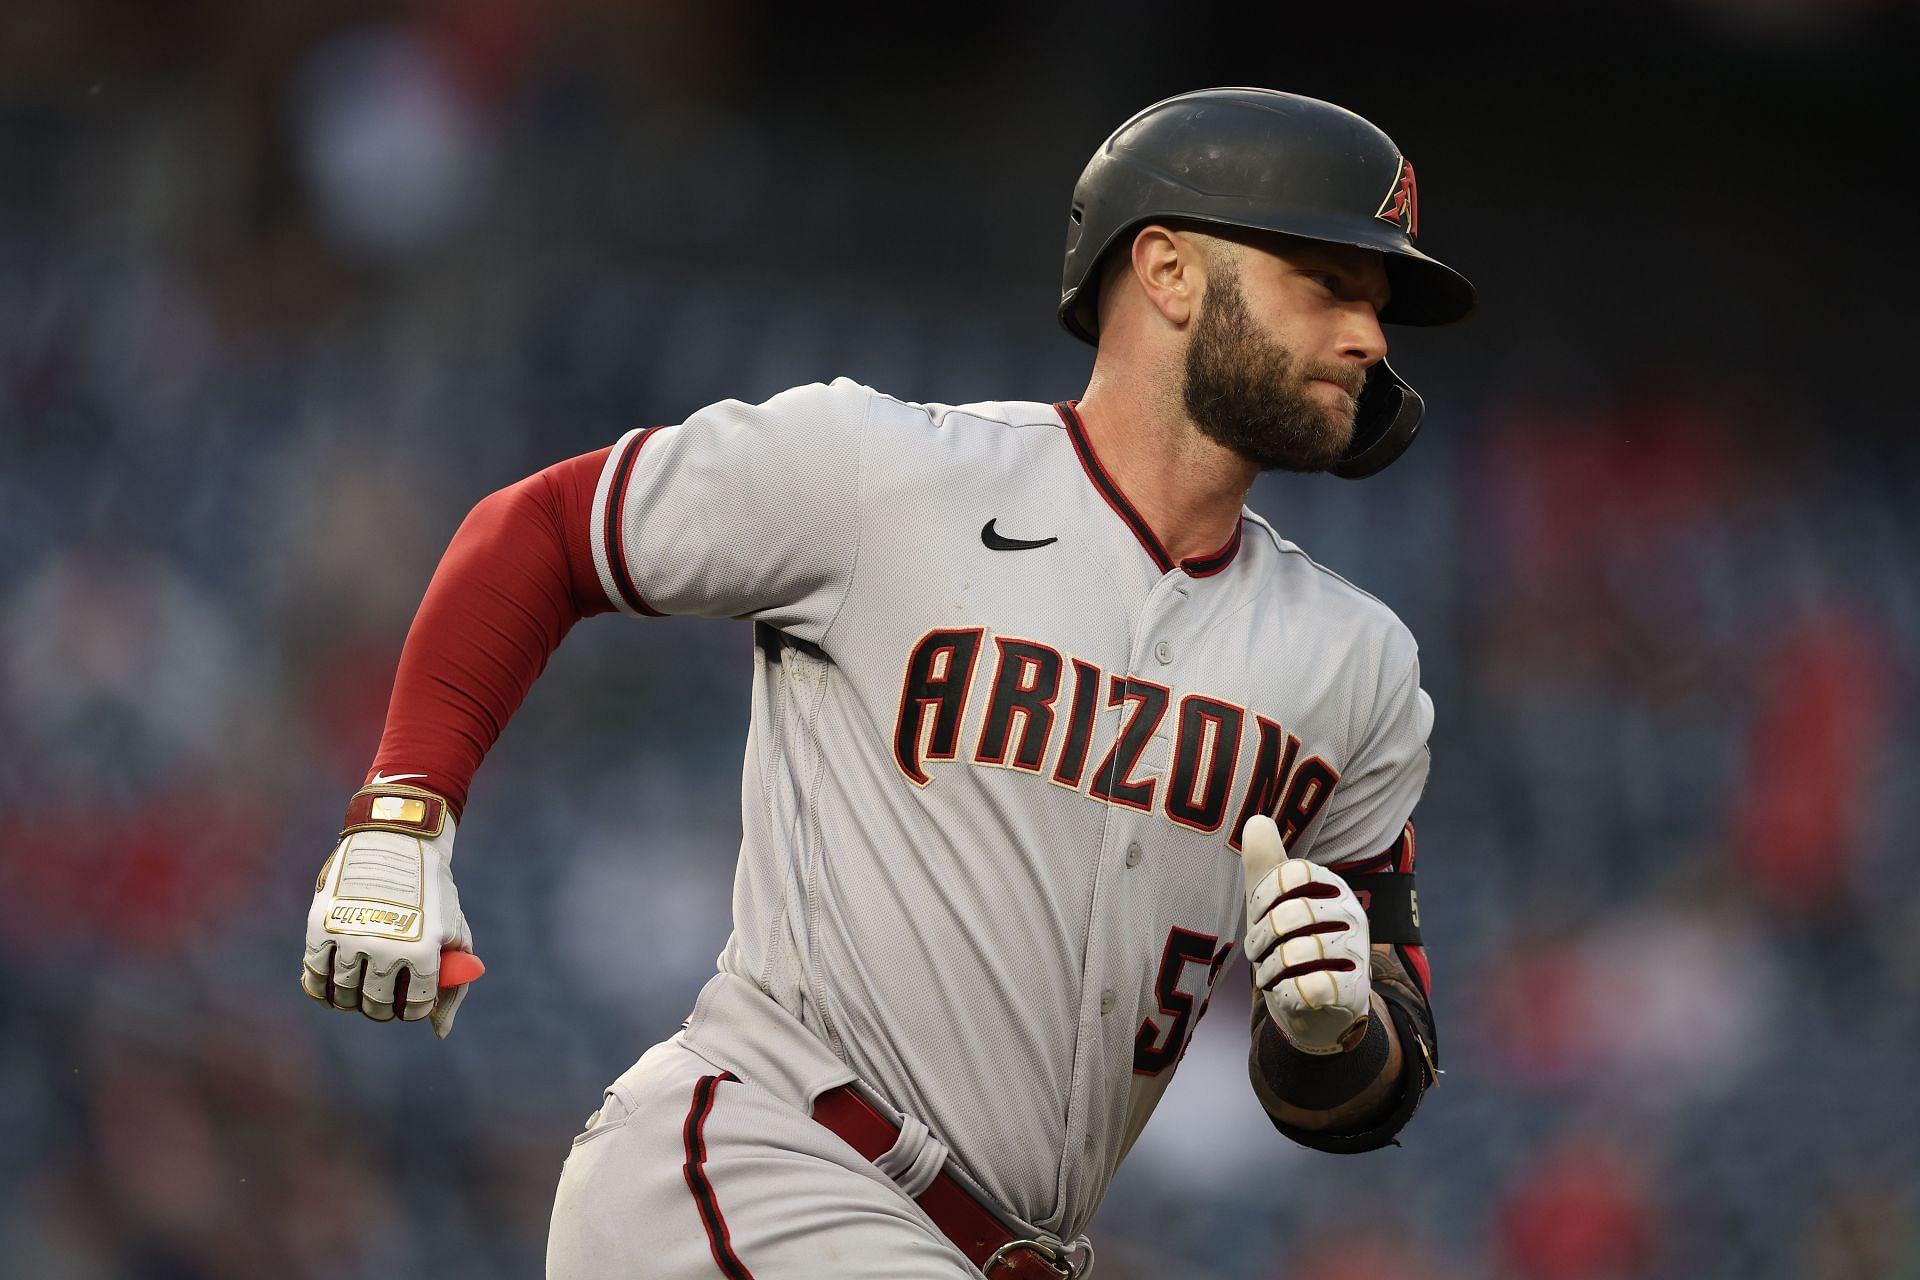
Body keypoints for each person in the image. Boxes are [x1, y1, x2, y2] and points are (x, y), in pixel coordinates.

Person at [301, 86, 1474, 1278]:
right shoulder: (888, 473)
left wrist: (1325, 1028)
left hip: (993, 1249)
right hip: (765, 1163)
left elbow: (1371, 1082)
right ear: (1168, 272)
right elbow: (546, 527)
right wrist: (406, 802)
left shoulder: (1356, 664)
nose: (1371, 337)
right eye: (1329, 284)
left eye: (1378, 304)